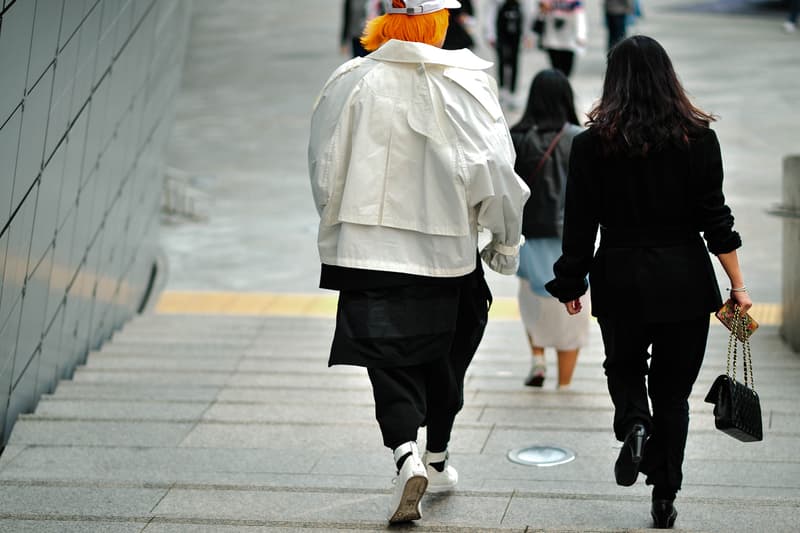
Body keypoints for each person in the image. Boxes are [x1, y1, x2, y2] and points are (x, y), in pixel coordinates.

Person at [309, 0, 529, 524]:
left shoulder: (350, 80)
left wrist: (335, 220)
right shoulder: (467, 84)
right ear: (439, 22)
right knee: (446, 351)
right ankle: (438, 454)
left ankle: (406, 454)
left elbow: (324, 163)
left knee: (386, 356)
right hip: (445, 249)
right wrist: (504, 238)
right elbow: (494, 168)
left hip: (365, 248)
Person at [544, 35, 752, 529]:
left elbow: (579, 223)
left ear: (613, 81)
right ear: (668, 76)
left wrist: (571, 280)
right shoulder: (698, 137)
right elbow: (715, 220)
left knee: (624, 366)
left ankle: (635, 422)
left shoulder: (592, 144)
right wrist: (737, 286)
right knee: (674, 394)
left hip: (619, 276)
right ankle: (664, 496)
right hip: (684, 278)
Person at [510, 69, 588, 389]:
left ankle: (538, 358)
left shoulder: (516, 136)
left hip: (527, 234)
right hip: (567, 235)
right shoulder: (577, 138)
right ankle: (565, 385)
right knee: (571, 310)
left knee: (531, 297)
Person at [485, 0, 535, 106]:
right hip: (501, 33)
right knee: (502, 60)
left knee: (515, 61)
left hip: (516, 34)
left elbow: (528, 15)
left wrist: (527, 35)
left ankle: (513, 92)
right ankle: (502, 90)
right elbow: (490, 14)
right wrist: (491, 34)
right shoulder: (498, 3)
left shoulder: (521, 4)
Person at [534, 1, 587, 78]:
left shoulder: (574, 3)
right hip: (552, 41)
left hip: (569, 42)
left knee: (567, 71)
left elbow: (580, 18)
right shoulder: (547, 2)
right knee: (555, 69)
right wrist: (543, 10)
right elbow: (540, 18)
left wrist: (581, 36)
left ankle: (563, 86)